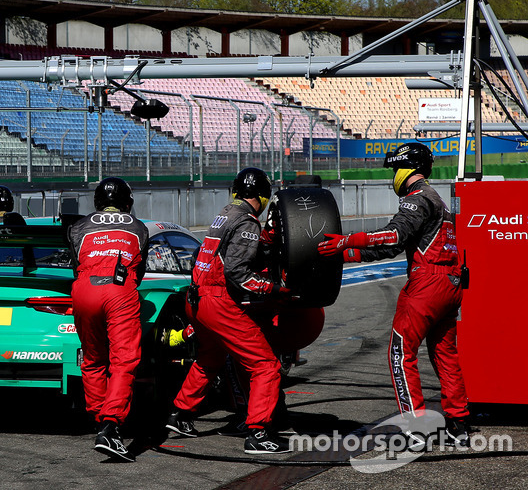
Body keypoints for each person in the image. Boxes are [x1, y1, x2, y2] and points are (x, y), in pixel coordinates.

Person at [317, 142, 471, 446]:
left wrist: (348, 240)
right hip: (451, 285)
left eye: (396, 169)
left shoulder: (417, 198)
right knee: (445, 355)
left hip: (427, 284)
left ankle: (415, 430)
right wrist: (349, 256)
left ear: (406, 168)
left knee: (400, 356)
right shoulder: (439, 201)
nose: (394, 176)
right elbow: (392, 248)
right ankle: (459, 425)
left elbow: (393, 234)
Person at [165, 167, 293, 455]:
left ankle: (180, 414)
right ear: (261, 197)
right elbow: (238, 272)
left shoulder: (224, 213)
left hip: (196, 299)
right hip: (217, 300)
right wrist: (274, 289)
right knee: (265, 365)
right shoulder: (247, 221)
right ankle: (258, 432)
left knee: (210, 358)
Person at [67, 177, 149, 462]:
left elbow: (75, 263)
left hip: (83, 289)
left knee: (92, 358)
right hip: (118, 289)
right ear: (127, 202)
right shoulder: (138, 228)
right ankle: (111, 425)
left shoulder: (77, 227)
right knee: (124, 360)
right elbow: (139, 272)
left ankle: (100, 419)